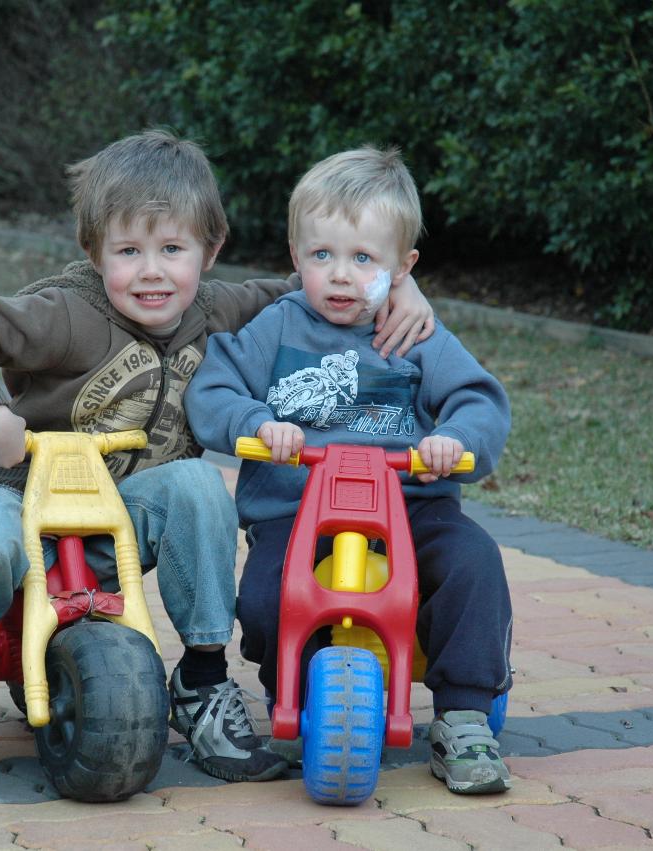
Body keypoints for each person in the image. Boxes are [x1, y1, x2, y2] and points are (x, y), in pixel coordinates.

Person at [0, 129, 437, 783]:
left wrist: (399, 292)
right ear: (94, 250)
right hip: (19, 497)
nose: (152, 271)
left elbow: (327, 284)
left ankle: (203, 681)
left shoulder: (220, 311)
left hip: (119, 515)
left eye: (172, 249)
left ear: (210, 251)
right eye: (128, 250)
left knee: (198, 483)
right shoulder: (64, 314)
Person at [184, 146, 514, 794]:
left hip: (411, 507)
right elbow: (213, 386)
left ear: (403, 267)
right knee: (265, 595)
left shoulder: (412, 333)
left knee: (473, 560)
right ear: (294, 255)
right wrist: (256, 424)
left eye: (363, 259)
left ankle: (465, 715)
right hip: (297, 508)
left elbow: (479, 398)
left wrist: (452, 437)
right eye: (322, 256)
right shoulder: (275, 328)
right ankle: (294, 692)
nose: (340, 275)